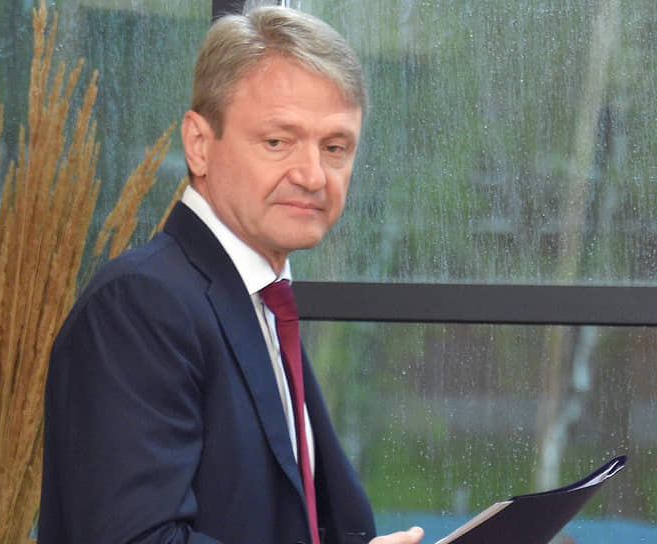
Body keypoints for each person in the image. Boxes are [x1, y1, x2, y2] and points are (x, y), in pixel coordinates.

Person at [38, 6, 424, 544]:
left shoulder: (261, 302)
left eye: (335, 148)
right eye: (277, 141)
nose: (313, 175)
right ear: (199, 145)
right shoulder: (139, 306)